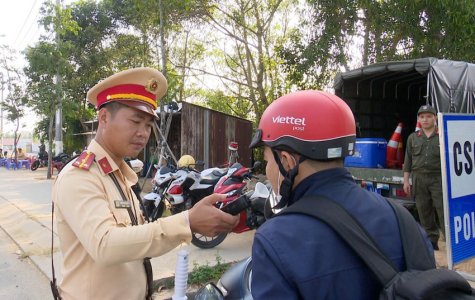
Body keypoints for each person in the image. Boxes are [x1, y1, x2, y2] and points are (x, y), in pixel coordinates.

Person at [52, 67, 239, 300]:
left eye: (149, 125)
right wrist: (187, 222)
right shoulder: (80, 176)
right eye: (135, 121)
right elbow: (105, 244)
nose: (143, 133)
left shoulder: (119, 174)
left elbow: (136, 241)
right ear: (104, 118)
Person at [249, 90, 433, 299]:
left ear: (287, 161)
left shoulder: (275, 241)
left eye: (267, 161)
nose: (266, 170)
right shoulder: (404, 221)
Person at [403, 104, 444, 251]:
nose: (425, 120)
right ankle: (432, 241)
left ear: (435, 118)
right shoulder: (413, 138)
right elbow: (408, 160)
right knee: (424, 210)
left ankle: (451, 240)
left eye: (428, 116)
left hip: (438, 178)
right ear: (418, 119)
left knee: (443, 210)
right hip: (419, 178)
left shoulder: (443, 135)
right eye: (422, 117)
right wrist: (406, 180)